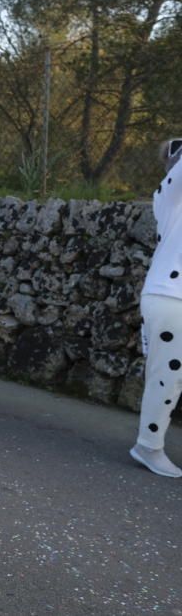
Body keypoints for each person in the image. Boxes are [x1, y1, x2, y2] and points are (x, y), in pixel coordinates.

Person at [130, 139, 182, 478]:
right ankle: (148, 446)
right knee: (167, 378)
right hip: (171, 296)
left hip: (168, 294)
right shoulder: (172, 196)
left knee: (168, 376)